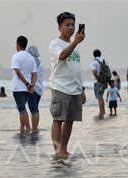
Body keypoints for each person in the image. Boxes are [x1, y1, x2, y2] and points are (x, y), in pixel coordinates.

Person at [49, 11, 85, 159]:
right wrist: (76, 41)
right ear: (60, 27)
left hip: (75, 88)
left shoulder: (74, 45)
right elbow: (62, 56)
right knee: (58, 119)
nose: (70, 28)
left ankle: (64, 149)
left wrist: (81, 88)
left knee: (70, 120)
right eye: (67, 25)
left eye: (72, 25)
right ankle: (58, 151)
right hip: (60, 86)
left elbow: (76, 67)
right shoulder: (55, 43)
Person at [11, 36, 38, 133]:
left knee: (22, 109)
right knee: (21, 108)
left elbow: (18, 72)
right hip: (28, 88)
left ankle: (28, 129)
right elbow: (35, 73)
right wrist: (32, 85)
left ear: (17, 44)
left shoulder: (15, 56)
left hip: (19, 87)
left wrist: (27, 84)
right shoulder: (31, 58)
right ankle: (22, 129)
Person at [27, 45, 44, 133]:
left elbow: (30, 76)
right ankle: (35, 127)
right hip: (40, 89)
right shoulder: (40, 64)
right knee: (36, 109)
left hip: (32, 88)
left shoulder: (30, 63)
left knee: (33, 109)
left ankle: (34, 129)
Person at [91, 49, 109, 117]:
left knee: (99, 97)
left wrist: (98, 79)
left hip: (98, 82)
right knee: (101, 97)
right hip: (104, 82)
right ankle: (103, 111)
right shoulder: (105, 61)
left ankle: (101, 112)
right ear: (100, 54)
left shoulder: (94, 62)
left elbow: (94, 71)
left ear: (94, 55)